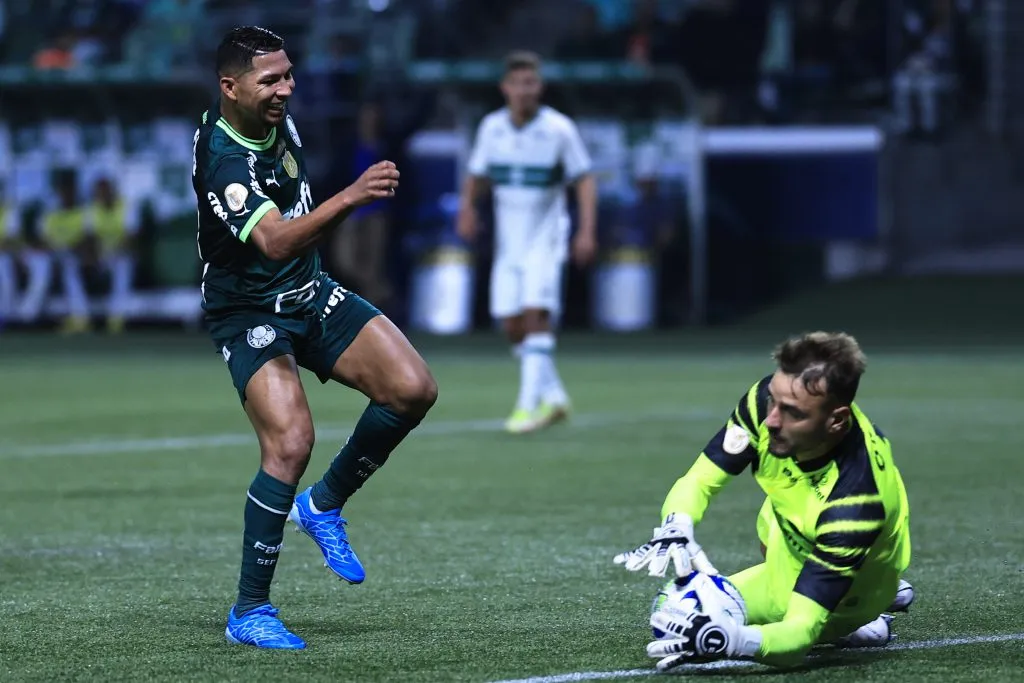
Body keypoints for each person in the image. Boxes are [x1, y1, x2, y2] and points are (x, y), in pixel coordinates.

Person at [191, 26, 437, 650]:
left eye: (288, 75)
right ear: (230, 87)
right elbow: (273, 241)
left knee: (412, 389)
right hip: (250, 311)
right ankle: (250, 611)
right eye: (270, 80)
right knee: (291, 442)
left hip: (309, 291)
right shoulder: (225, 159)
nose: (286, 89)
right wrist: (352, 197)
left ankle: (322, 505)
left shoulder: (274, 122)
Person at [614, 332, 914, 669]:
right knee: (675, 608)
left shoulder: (855, 505)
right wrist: (677, 523)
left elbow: (798, 634)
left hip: (853, 587)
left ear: (836, 420)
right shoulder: (768, 401)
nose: (771, 420)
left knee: (702, 617)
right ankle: (846, 578)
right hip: (802, 521)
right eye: (774, 400)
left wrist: (736, 640)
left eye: (793, 413)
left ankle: (858, 613)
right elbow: (700, 479)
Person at [456, 50, 598, 434]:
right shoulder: (492, 128)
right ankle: (554, 396)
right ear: (505, 87)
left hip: (546, 240)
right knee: (512, 324)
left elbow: (584, 179)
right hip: (509, 245)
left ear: (541, 87)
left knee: (537, 316)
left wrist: (586, 230)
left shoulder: (559, 129)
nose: (524, 90)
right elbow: (477, 174)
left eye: (531, 82)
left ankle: (526, 407)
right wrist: (467, 209)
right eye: (517, 83)